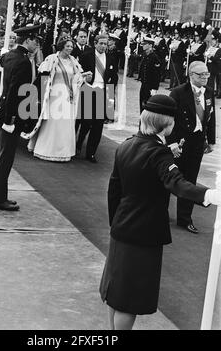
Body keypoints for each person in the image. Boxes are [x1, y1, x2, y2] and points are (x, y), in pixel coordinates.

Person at [99, 94, 221, 330]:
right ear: (166, 123)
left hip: (122, 227)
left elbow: (114, 190)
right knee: (129, 299)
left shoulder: (126, 145)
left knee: (115, 292)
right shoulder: (159, 153)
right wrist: (210, 195)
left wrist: (115, 223)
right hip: (144, 233)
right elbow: (178, 183)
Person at [0, 28, 41, 211]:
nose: (37, 45)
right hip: (11, 114)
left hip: (4, 111)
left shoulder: (9, 55)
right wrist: (12, 118)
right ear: (28, 40)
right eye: (35, 41)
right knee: (5, 157)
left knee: (0, 155)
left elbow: (1, 63)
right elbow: (16, 93)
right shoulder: (23, 62)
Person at [167, 61, 216, 233]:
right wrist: (171, 142)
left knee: (190, 180)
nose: (204, 77)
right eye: (201, 75)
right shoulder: (178, 92)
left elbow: (211, 117)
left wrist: (210, 140)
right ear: (191, 75)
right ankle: (160, 213)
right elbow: (169, 119)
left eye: (207, 74)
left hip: (196, 143)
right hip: (179, 142)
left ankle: (184, 218)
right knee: (169, 178)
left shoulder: (209, 92)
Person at [26, 38, 91, 162]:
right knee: (52, 123)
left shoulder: (73, 62)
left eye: (71, 47)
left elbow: (76, 78)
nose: (70, 49)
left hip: (67, 96)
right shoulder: (52, 59)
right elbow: (43, 77)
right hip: (54, 95)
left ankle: (63, 152)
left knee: (65, 124)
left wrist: (84, 78)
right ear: (61, 46)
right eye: (67, 46)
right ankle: (46, 150)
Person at [76, 34, 118, 162]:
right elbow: (78, 74)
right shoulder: (86, 56)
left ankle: (91, 153)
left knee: (98, 125)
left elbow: (114, 77)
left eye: (105, 44)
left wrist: (111, 100)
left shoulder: (111, 58)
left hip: (103, 93)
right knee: (86, 122)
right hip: (89, 91)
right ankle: (78, 144)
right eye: (101, 43)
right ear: (95, 43)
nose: (103, 46)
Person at [137, 36, 161, 113]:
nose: (143, 45)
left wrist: (155, 88)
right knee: (142, 104)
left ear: (150, 45)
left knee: (148, 107)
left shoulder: (154, 57)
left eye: (145, 44)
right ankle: (142, 122)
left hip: (150, 86)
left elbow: (157, 75)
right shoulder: (145, 55)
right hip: (143, 84)